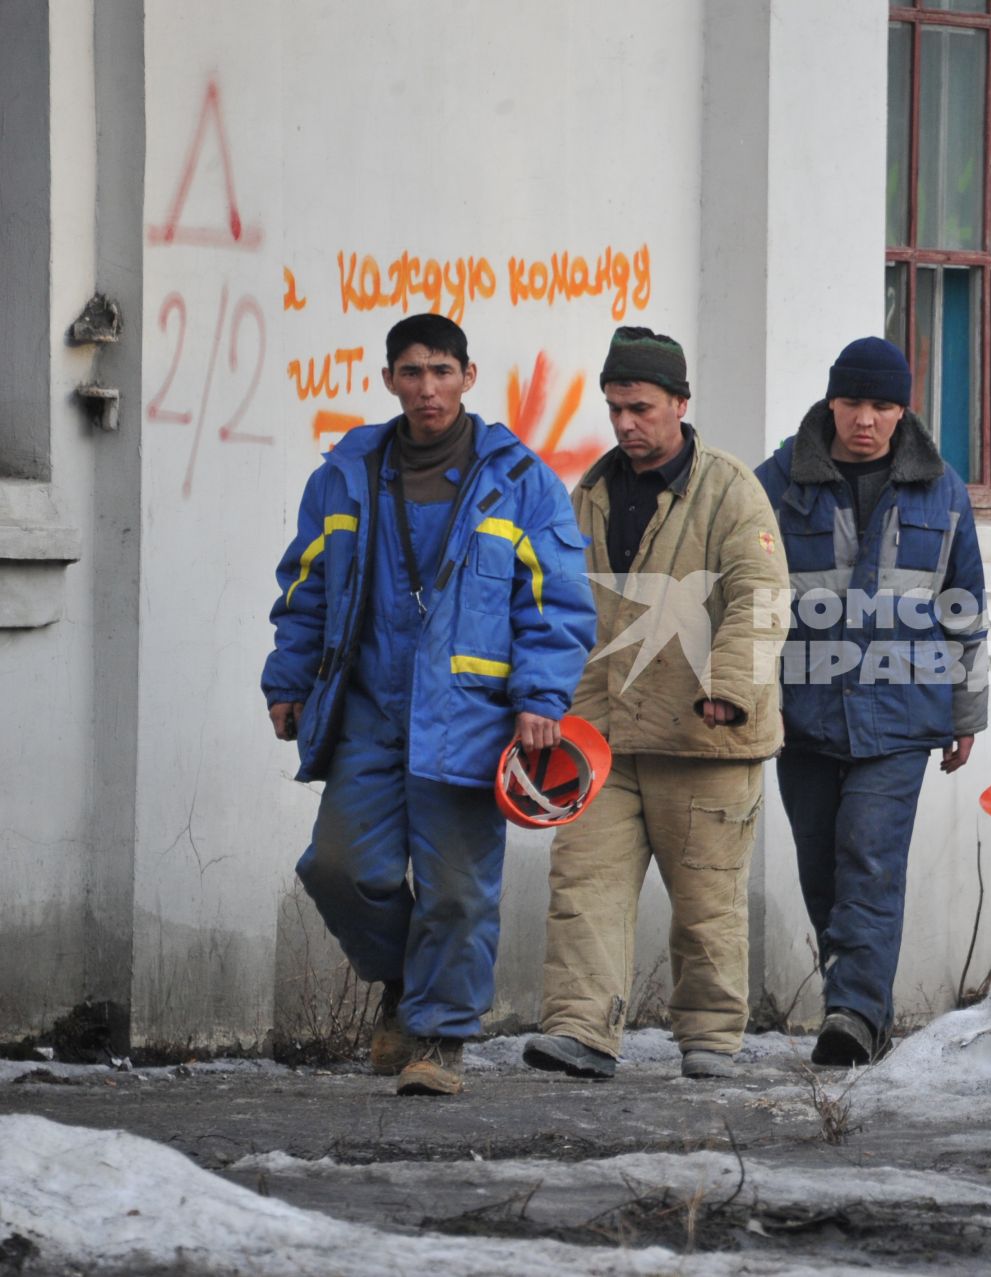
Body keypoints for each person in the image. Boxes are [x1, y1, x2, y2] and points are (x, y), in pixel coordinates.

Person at [262, 313, 595, 1096]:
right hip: (369, 707)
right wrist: (287, 680)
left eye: (441, 371)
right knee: (340, 866)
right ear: (388, 383)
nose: (427, 388)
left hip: (470, 716)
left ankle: (440, 1038)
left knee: (455, 888)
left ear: (469, 377)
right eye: (410, 372)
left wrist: (542, 695)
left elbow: (557, 599)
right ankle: (408, 983)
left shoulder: (520, 479)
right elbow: (305, 586)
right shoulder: (345, 473)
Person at [521, 328, 788, 1083]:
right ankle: (579, 1029)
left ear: (679, 402)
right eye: (614, 409)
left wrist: (730, 689)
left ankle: (709, 1039)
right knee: (583, 884)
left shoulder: (733, 490)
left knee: (706, 903)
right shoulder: (588, 496)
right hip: (599, 737)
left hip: (705, 737)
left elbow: (763, 598)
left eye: (640, 407)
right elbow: (555, 607)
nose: (626, 424)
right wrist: (540, 702)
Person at [756, 337, 987, 1066]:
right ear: (831, 402)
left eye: (883, 406)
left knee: (870, 858)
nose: (866, 419)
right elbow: (745, 598)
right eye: (854, 402)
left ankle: (853, 1012)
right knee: (822, 868)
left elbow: (965, 604)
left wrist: (967, 712)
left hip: (901, 715)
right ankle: (857, 1004)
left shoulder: (941, 489)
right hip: (805, 713)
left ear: (902, 409)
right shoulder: (775, 482)